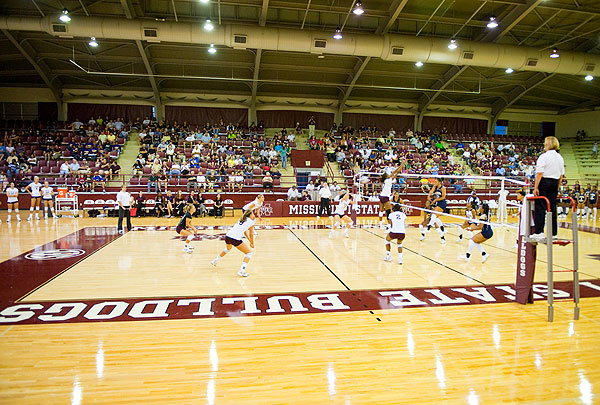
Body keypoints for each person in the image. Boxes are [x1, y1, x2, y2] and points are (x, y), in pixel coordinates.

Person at [531, 136, 564, 240]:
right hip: (555, 182)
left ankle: (539, 231)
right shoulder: (560, 157)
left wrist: (536, 187)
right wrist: (557, 186)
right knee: (552, 208)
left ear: (547, 144)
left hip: (544, 181)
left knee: (540, 206)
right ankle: (553, 233)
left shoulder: (543, 157)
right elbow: (561, 175)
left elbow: (539, 173)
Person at [210, 209, 256, 277]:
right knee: (249, 253)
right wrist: (252, 243)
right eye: (253, 214)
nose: (254, 215)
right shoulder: (251, 222)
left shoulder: (242, 219)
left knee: (228, 249)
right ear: (250, 215)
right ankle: (242, 271)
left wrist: (249, 241)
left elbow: (244, 232)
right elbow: (251, 233)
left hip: (228, 236)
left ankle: (215, 260)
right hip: (235, 239)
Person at [420, 178, 447, 244]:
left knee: (434, 216)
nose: (434, 183)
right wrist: (429, 196)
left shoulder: (442, 188)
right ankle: (443, 230)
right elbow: (430, 193)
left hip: (441, 203)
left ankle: (429, 228)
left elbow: (443, 197)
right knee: (435, 218)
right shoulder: (435, 187)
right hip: (436, 204)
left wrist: (435, 200)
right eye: (434, 182)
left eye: (436, 182)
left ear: (439, 182)